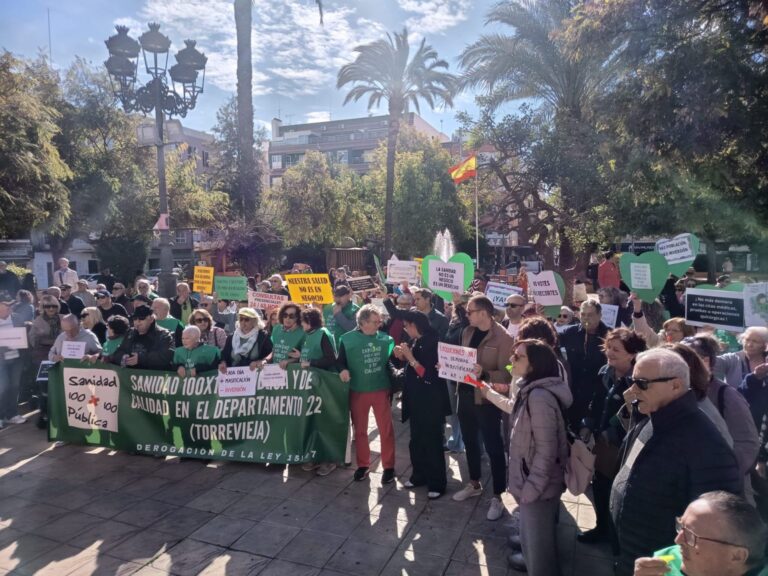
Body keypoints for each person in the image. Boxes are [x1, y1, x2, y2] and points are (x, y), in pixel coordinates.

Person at [610, 348, 743, 576]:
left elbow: (718, 531)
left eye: (642, 383)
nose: (631, 391)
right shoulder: (651, 419)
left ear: (675, 385)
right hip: (630, 558)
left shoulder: (707, 445)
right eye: (633, 382)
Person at [480, 339, 572, 575]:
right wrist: (488, 392)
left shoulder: (539, 397)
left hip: (537, 487)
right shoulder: (530, 389)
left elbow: (547, 451)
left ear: (535, 365)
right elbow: (513, 407)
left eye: (518, 357)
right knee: (535, 545)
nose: (511, 360)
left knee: (539, 555)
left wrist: (531, 490)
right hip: (533, 483)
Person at [578, 328, 647, 551]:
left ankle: (618, 541)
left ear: (632, 353)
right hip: (601, 443)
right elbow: (596, 401)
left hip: (624, 445)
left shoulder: (639, 380)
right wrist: (588, 423)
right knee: (600, 486)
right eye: (608, 347)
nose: (610, 352)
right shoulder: (604, 371)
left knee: (620, 492)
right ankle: (601, 528)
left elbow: (640, 415)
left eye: (616, 349)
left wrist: (613, 430)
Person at [453, 295, 514, 522]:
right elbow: (461, 360)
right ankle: (474, 483)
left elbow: (509, 372)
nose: (466, 314)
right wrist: (449, 366)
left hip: (487, 401)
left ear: (483, 313)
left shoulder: (504, 338)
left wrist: (485, 374)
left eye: (470, 311)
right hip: (465, 395)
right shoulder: (467, 332)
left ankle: (498, 495)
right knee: (469, 442)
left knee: (494, 447)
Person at [682, 335, 760, 491]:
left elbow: (748, 444)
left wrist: (720, 474)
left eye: (686, 360)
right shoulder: (680, 390)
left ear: (706, 361)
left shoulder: (727, 395)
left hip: (723, 491)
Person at [633, 491, 768, 576]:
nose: (677, 540)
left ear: (736, 556)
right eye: (681, 526)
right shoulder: (663, 564)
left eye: (692, 536)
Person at [394, 310, 451, 499]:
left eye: (406, 326)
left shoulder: (433, 342)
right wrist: (401, 356)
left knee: (432, 442)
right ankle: (419, 475)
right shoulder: (416, 340)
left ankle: (436, 483)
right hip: (415, 400)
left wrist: (409, 357)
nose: (405, 329)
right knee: (416, 441)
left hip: (430, 400)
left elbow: (427, 374)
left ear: (414, 325)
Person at [338, 304, 396, 484]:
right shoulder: (346, 339)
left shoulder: (386, 339)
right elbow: (340, 361)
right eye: (375, 321)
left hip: (380, 390)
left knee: (386, 430)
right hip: (358, 391)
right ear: (363, 322)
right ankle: (363, 465)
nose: (379, 325)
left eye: (380, 321)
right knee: (360, 431)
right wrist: (343, 370)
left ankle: (389, 467)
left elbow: (390, 364)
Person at [559, 300, 609, 428]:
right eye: (583, 314)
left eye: (590, 315)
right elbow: (548, 341)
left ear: (600, 315)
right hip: (572, 394)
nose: (586, 318)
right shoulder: (570, 333)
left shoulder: (610, 336)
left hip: (598, 397)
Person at [112, 306, 175, 370]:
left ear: (151, 319)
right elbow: (118, 351)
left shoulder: (164, 335)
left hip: (153, 376)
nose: (137, 321)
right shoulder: (130, 332)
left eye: (141, 318)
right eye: (135, 318)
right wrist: (123, 357)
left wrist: (140, 359)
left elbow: (166, 357)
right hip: (130, 375)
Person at [444, 297, 470, 453]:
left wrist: (457, 304)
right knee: (454, 409)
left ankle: (472, 445)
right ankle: (456, 441)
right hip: (451, 370)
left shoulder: (468, 324)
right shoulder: (453, 322)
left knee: (465, 411)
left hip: (465, 372)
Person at [0, 291, 27, 427]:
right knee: (3, 387)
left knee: (15, 386)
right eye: (7, 305)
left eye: (11, 304)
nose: (10, 307)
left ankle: (12, 414)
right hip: (0, 360)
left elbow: (23, 336)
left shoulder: (17, 318)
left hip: (17, 358)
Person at [28, 295, 63, 368]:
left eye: (54, 306)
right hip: (44, 352)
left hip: (62, 352)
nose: (51, 309)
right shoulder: (38, 320)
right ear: (43, 307)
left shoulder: (63, 318)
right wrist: (41, 339)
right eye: (47, 306)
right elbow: (32, 338)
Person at [270, 302, 306, 367]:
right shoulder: (276, 328)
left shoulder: (303, 332)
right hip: (274, 371)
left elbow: (305, 357)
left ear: (298, 318)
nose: (287, 318)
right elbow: (274, 350)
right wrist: (265, 360)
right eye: (285, 315)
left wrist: (289, 361)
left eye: (291, 316)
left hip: (291, 371)